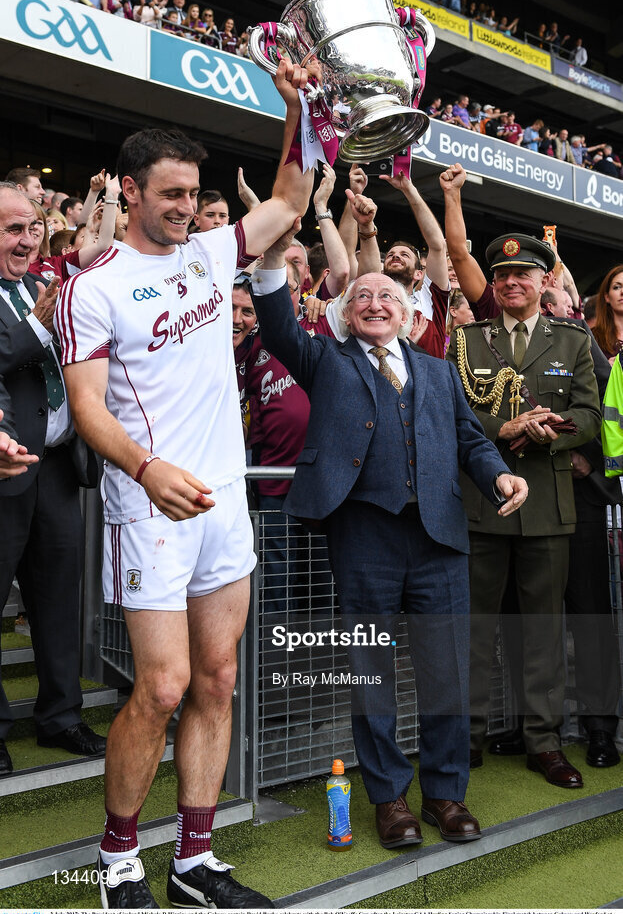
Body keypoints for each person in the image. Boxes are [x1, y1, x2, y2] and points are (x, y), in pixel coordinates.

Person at [56, 58, 315, 909]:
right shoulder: (92, 288)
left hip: (225, 504)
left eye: (192, 193)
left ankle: (193, 861)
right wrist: (144, 466)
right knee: (160, 688)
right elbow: (86, 407)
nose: (185, 207)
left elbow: (288, 196)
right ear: (130, 192)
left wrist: (300, 106)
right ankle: (119, 857)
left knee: (217, 680)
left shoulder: (212, 251)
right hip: (148, 504)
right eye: (168, 194)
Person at [251, 209, 527, 848]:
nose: (376, 303)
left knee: (447, 673)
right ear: (346, 314)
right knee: (372, 672)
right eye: (363, 296)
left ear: (408, 314)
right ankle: (388, 800)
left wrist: (498, 477)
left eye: (389, 298)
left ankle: (447, 795)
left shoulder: (436, 370)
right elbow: (275, 323)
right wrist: (273, 256)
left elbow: (467, 437)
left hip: (439, 540)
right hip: (365, 540)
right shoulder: (322, 357)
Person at [446, 232, 601, 788]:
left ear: (543, 282)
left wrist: (549, 433)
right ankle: (464, 738)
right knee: (473, 627)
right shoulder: (466, 340)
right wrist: (504, 428)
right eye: (504, 275)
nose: (513, 282)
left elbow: (588, 414)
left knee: (542, 630)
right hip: (484, 502)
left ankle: (543, 741)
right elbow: (452, 412)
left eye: (524, 275)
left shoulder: (572, 339)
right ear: (496, 283)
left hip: (547, 503)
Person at [0, 182, 104, 778]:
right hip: (5, 468)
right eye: (13, 229)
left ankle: (61, 717)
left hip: (61, 468)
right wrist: (42, 324)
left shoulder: (43, 285)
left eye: (32, 228)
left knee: (59, 599)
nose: (27, 238)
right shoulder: (40, 300)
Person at [592, 264, 623, 362]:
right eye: (617, 287)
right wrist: (604, 369)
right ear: (607, 297)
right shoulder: (593, 337)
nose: (622, 291)